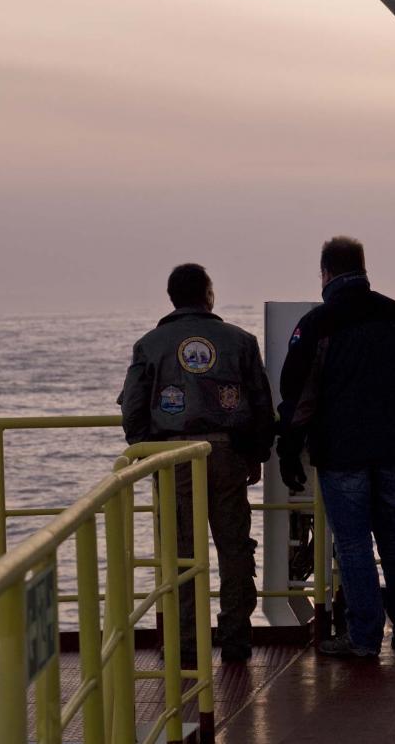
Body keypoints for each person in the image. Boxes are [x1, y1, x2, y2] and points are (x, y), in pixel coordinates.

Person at [277, 237, 395, 658]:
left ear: (325, 273)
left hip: (341, 450)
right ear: (363, 268)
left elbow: (298, 394)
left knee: (354, 543)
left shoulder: (318, 324)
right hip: (392, 446)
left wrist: (289, 451)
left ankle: (364, 637)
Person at [119, 263, 274, 662]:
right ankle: (236, 637)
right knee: (234, 548)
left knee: (181, 552)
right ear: (209, 294)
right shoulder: (240, 341)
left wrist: (146, 451)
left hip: (173, 457)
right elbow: (260, 405)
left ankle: (186, 643)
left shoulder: (149, 345)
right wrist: (256, 454)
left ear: (171, 297)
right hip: (226, 455)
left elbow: (134, 410)